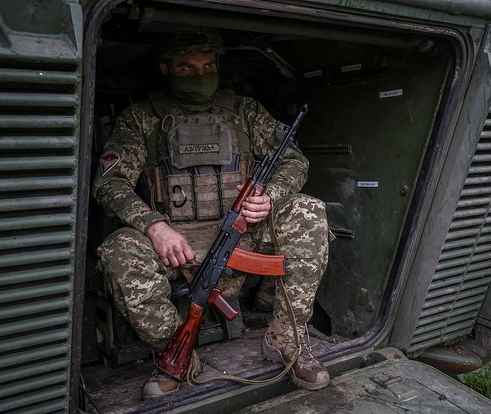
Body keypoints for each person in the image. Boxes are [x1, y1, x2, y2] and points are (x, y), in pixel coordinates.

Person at [93, 28, 331, 400]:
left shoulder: (245, 112)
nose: (200, 76)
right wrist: (153, 226)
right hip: (175, 243)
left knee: (308, 210)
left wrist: (269, 196)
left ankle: (285, 335)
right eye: (187, 68)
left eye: (208, 66)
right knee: (117, 249)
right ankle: (178, 354)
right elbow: (109, 184)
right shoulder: (141, 119)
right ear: (165, 68)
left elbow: (294, 162)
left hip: (242, 233)